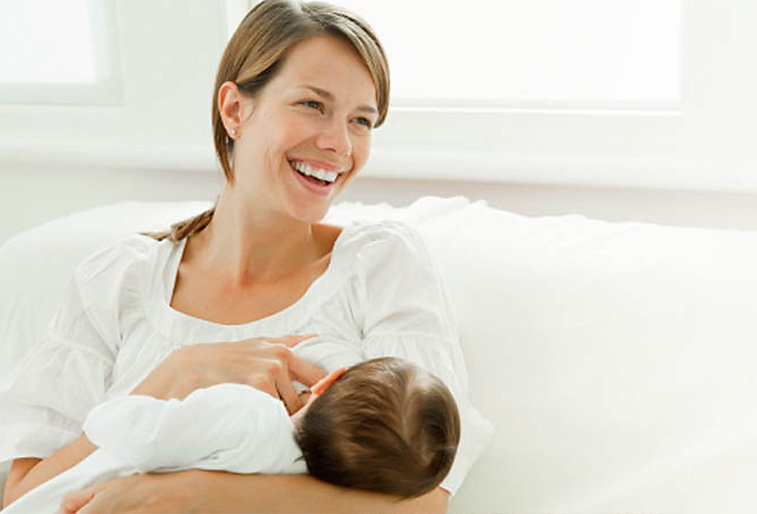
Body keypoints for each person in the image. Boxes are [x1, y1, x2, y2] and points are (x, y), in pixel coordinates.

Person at [0, 0, 493, 512]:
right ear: (235, 110)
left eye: (361, 121)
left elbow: (424, 500)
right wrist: (173, 377)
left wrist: (199, 495)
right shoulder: (118, 281)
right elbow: (23, 496)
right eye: (312, 104)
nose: (340, 144)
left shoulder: (380, 266)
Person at [4, 357, 460, 513]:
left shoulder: (248, 415)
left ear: (327, 380)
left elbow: (146, 437)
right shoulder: (294, 485)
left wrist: (113, 411)